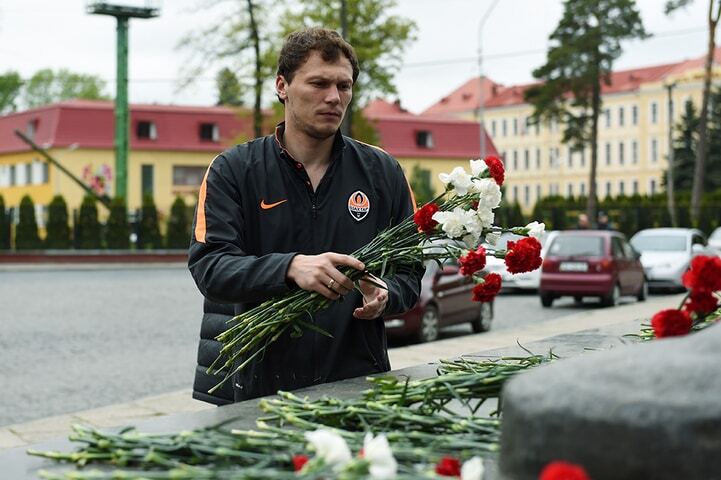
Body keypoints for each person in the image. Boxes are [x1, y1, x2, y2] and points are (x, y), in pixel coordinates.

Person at [187, 27, 423, 404]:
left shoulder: (383, 172)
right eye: (318, 83)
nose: (334, 98)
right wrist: (290, 268)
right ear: (282, 85)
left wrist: (387, 293)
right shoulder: (233, 170)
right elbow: (210, 268)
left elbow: (409, 273)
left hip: (355, 382)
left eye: (344, 86)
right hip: (254, 385)